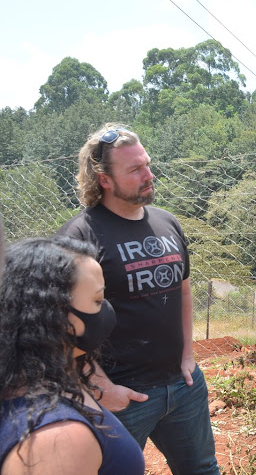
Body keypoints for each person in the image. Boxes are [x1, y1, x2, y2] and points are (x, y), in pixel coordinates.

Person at [57, 124, 220, 475]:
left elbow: (184, 289)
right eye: (134, 170)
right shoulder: (79, 236)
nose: (149, 175)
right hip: (122, 398)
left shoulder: (167, 223)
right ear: (104, 179)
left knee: (203, 469)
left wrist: (188, 356)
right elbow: (60, 325)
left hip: (183, 387)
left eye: (146, 164)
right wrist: (103, 388)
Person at [0, 236, 144, 475]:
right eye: (98, 300)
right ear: (56, 315)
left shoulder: (38, 381)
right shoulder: (56, 440)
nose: (106, 309)